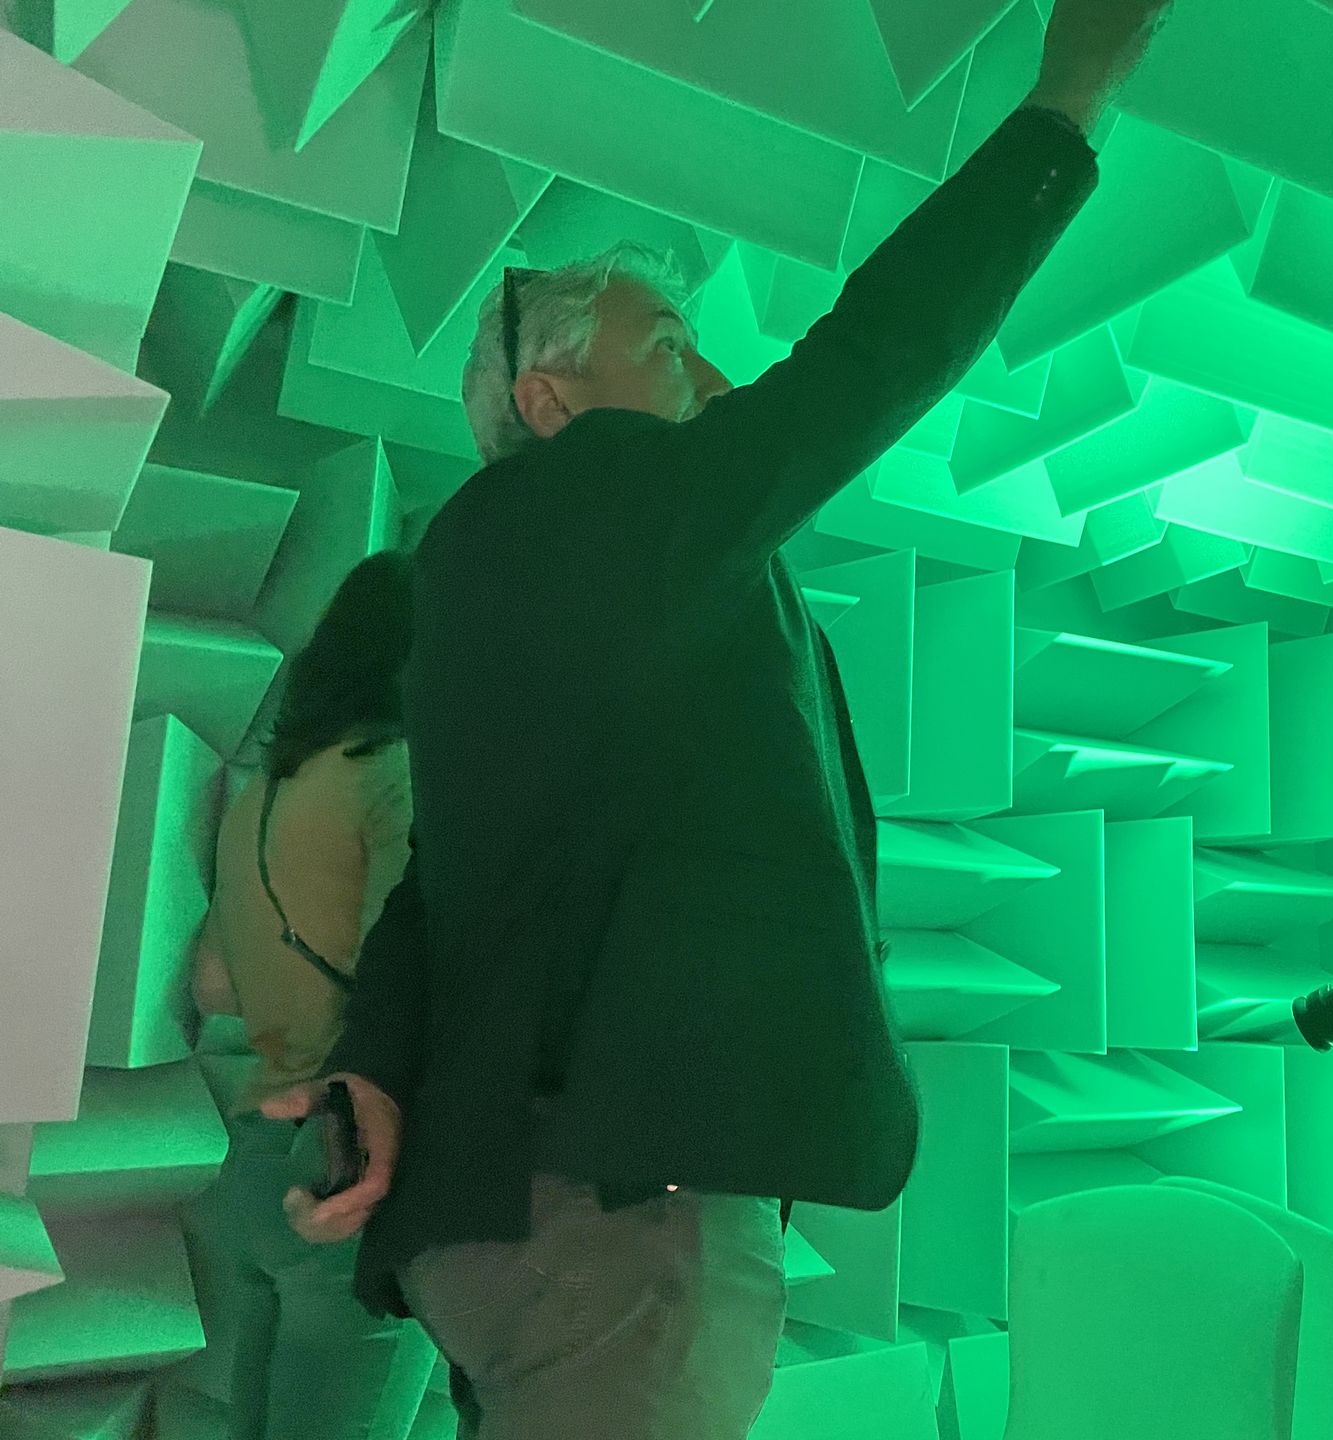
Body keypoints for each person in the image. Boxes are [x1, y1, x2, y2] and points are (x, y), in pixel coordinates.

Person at [259, 4, 1179, 1437]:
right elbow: (871, 355)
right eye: (671, 343)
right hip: (617, 1225)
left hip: (514, 1212)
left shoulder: (508, 577)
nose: (716, 379)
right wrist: (1068, 104)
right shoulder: (601, 510)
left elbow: (448, 884)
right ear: (552, 400)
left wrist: (374, 1052)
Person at [188, 551, 438, 1440]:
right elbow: (406, 974)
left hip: (257, 1161)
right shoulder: (399, 773)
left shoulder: (262, 793)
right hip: (349, 1166)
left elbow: (214, 984)